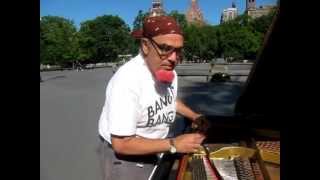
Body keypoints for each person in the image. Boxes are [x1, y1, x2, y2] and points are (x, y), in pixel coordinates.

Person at [98, 15, 209, 180]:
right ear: (145, 45)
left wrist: (194, 116)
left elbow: (169, 100)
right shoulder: (128, 80)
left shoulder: (168, 72)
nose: (173, 58)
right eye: (165, 48)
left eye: (178, 50)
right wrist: (174, 145)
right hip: (127, 159)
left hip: (157, 149)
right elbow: (121, 144)